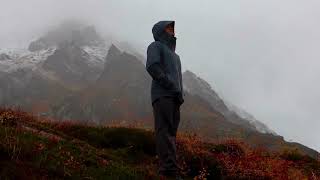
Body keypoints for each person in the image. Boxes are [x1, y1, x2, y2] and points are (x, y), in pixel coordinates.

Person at [145, 21, 184, 180]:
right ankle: (168, 171)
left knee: (171, 134)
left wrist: (180, 94)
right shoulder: (155, 46)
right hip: (162, 95)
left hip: (175, 98)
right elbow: (152, 66)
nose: (172, 31)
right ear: (161, 31)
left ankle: (171, 169)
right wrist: (168, 82)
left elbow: (179, 78)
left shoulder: (176, 56)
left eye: (173, 29)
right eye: (169, 28)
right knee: (164, 132)